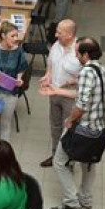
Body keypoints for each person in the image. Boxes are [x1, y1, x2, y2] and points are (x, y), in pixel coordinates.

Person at [47, 37, 105, 209]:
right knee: (89, 164)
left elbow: (82, 103)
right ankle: (86, 199)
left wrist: (70, 120)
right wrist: (69, 85)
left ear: (85, 54)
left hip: (82, 129)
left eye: (77, 52)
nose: (75, 55)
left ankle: (71, 201)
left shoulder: (86, 72)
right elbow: (94, 95)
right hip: (99, 130)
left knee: (59, 162)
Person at [38, 20, 82, 167]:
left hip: (71, 99)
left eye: (59, 33)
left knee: (69, 129)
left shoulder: (80, 52)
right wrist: (47, 77)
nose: (56, 35)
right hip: (54, 93)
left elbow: (84, 80)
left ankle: (68, 160)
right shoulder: (56, 46)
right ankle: (55, 155)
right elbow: (50, 66)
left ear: (70, 35)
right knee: (55, 126)